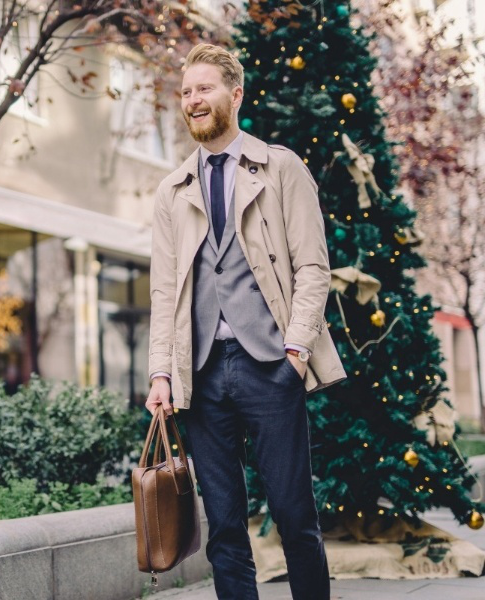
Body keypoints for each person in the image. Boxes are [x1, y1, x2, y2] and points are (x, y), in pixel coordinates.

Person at [145, 43, 347, 600]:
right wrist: (160, 373)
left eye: (204, 88)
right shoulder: (172, 191)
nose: (193, 100)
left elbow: (313, 266)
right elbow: (166, 292)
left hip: (270, 367)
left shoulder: (280, 168)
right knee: (225, 528)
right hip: (202, 374)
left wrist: (296, 350)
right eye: (186, 92)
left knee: (293, 516)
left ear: (235, 94)